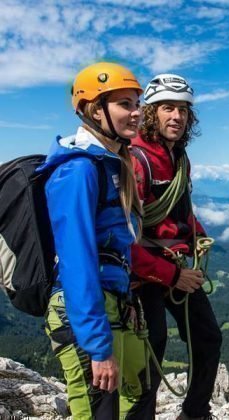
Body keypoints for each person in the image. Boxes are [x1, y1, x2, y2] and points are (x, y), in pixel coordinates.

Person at [38, 62, 149, 419]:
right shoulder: (78, 169)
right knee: (100, 409)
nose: (136, 113)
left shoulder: (111, 164)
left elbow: (113, 246)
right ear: (93, 109)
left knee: (142, 386)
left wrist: (127, 295)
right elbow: (77, 260)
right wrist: (98, 348)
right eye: (125, 104)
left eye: (137, 103)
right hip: (80, 310)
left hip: (114, 301)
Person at [130, 74, 222, 420]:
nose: (177, 117)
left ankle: (195, 412)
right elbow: (123, 239)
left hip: (175, 264)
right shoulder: (137, 161)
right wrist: (172, 276)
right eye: (168, 108)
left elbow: (180, 210)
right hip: (144, 272)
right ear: (151, 113)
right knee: (151, 352)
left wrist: (197, 234)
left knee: (208, 338)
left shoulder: (179, 158)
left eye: (183, 110)